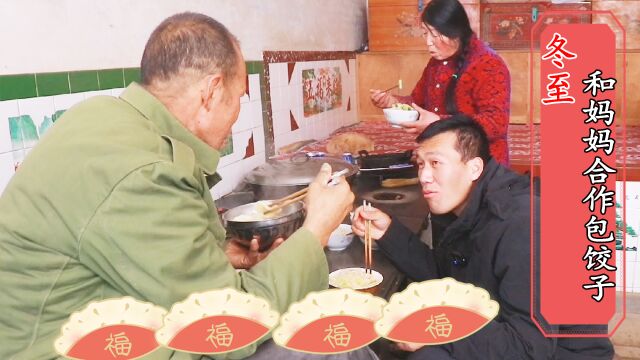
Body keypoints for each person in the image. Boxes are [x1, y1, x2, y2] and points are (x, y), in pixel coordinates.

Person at [0, 13, 377, 360]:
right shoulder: (143, 171)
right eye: (238, 98)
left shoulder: (103, 118)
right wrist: (317, 229)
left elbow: (130, 249)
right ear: (211, 92)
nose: (235, 116)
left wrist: (220, 254)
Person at [351, 115, 613, 359]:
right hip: (508, 327)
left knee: (428, 354)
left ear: (474, 168)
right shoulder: (470, 207)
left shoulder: (521, 223)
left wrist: (438, 327)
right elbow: (447, 274)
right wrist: (388, 233)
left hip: (561, 353)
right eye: (420, 164)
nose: (423, 176)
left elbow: (529, 346)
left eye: (435, 163)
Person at [369, 0, 511, 165]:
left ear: (455, 32)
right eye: (425, 33)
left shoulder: (488, 64)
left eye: (435, 35)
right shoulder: (435, 63)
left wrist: (439, 123)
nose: (428, 42)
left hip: (480, 165)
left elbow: (495, 124)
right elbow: (417, 102)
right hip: (445, 158)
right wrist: (393, 102)